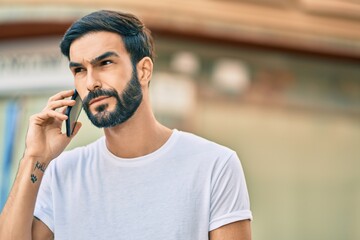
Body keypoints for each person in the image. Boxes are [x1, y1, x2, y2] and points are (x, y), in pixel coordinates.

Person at [0, 10, 252, 240]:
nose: (91, 83)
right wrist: (34, 158)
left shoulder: (214, 165)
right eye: (79, 70)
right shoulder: (61, 172)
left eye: (105, 63)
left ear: (143, 71)